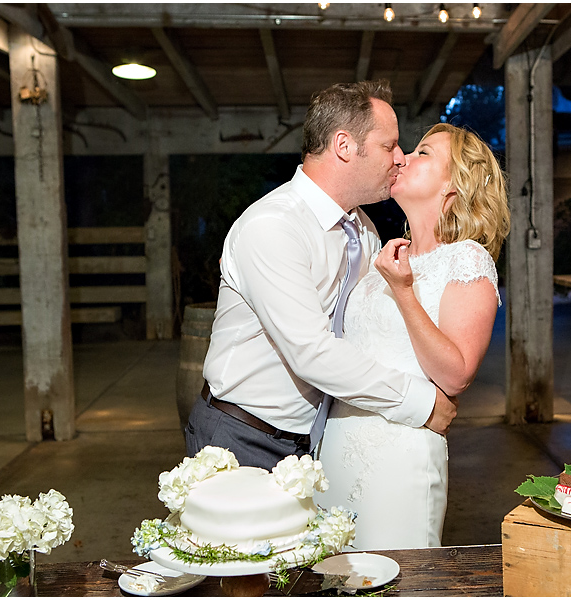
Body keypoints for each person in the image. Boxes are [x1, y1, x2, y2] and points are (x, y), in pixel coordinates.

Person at [186, 80, 457, 470]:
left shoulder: (363, 231)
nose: (400, 157)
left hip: (316, 441)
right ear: (344, 146)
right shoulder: (273, 225)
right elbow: (311, 352)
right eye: (389, 145)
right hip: (241, 437)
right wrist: (421, 403)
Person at [317, 123, 510, 550]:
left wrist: (404, 292)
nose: (403, 157)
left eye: (424, 153)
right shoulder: (383, 254)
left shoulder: (467, 259)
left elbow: (456, 375)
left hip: (399, 457)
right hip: (337, 449)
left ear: (453, 188)